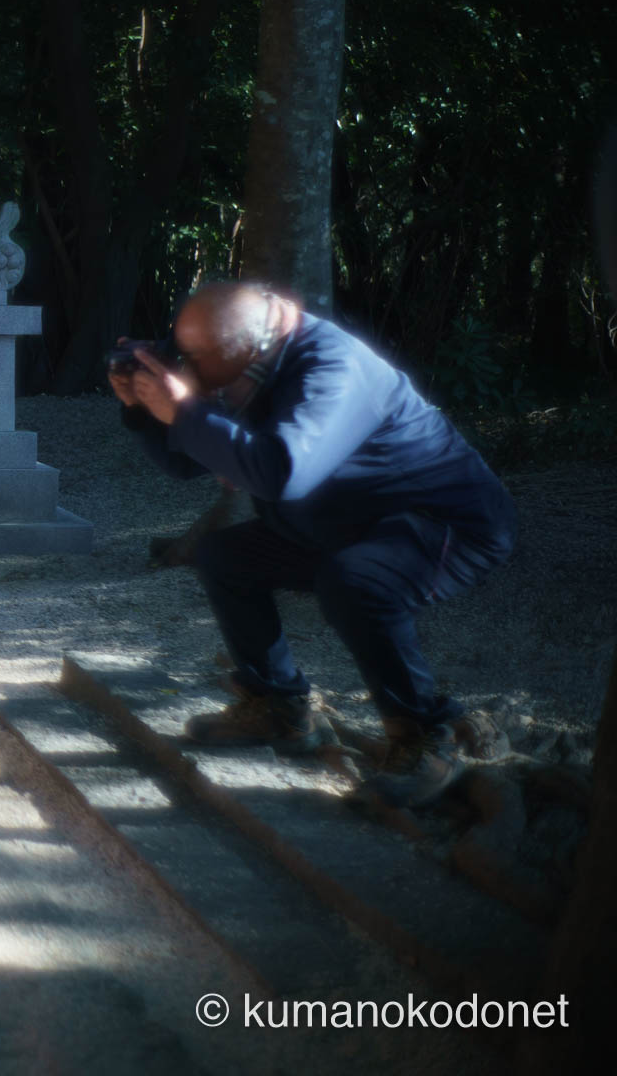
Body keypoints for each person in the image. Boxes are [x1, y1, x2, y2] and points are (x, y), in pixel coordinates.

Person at [111, 281, 516, 808]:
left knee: (356, 582)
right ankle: (280, 709)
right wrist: (145, 410)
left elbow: (281, 475)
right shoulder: (252, 361)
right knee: (224, 556)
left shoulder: (333, 369)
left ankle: (424, 735)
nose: (180, 360)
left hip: (447, 526)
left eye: (192, 355)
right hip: (346, 522)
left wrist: (186, 410)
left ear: (244, 348)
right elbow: (187, 462)